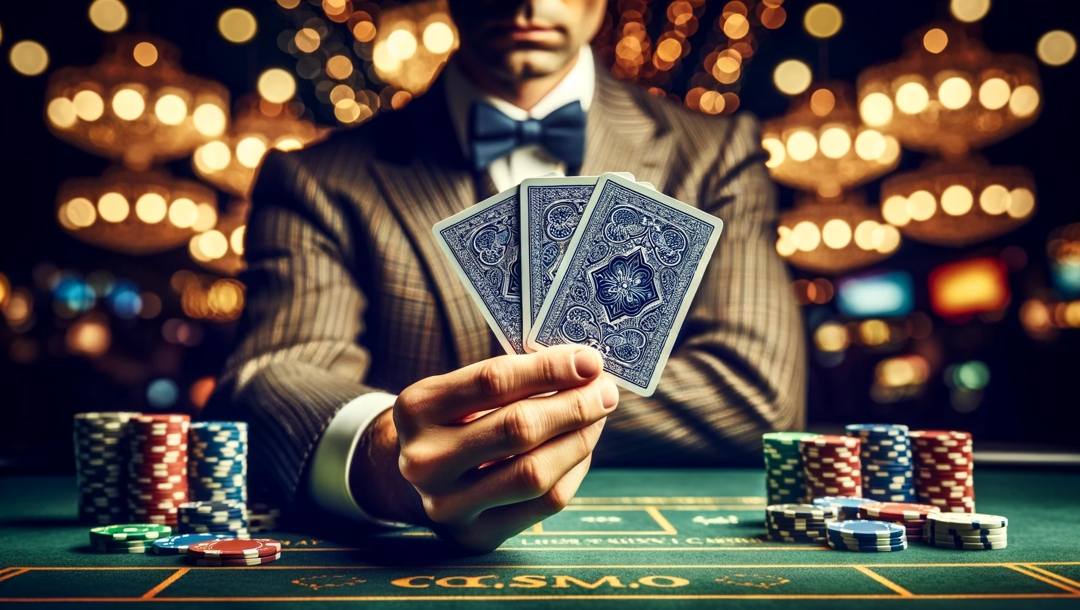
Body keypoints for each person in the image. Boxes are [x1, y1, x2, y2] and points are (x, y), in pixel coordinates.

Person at [206, 0, 806, 551]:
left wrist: (493, 421)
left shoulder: (716, 150)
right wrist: (389, 456)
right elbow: (273, 375)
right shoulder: (317, 178)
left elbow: (754, 389)